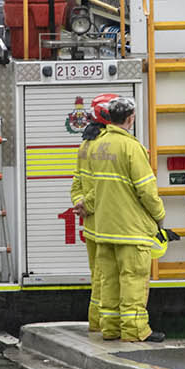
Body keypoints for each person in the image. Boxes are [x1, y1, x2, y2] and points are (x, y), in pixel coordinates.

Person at [78, 95, 167, 343]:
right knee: (133, 280)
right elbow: (146, 189)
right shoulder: (132, 147)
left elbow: (92, 187)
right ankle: (135, 330)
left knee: (109, 282)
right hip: (131, 229)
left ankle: (111, 328)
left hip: (104, 228)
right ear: (130, 118)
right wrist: (160, 216)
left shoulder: (96, 146)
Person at [71, 92, 117, 332]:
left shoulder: (85, 144)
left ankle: (97, 322)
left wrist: (80, 203)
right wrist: (87, 203)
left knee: (97, 275)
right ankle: (104, 323)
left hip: (90, 223)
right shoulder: (105, 146)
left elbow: (77, 182)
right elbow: (105, 183)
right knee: (106, 276)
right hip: (107, 221)